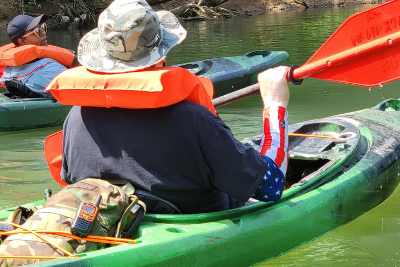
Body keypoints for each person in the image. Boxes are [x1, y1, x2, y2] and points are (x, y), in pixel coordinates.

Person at [51, 0, 290, 214]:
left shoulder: (76, 116)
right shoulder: (195, 120)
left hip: (109, 222)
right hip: (196, 224)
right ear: (161, 54)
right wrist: (275, 103)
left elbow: (69, 179)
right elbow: (271, 187)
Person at [0, 14, 78, 98]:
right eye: (37, 31)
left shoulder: (8, 72)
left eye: (43, 28)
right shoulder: (49, 67)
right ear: (22, 41)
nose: (43, 33)